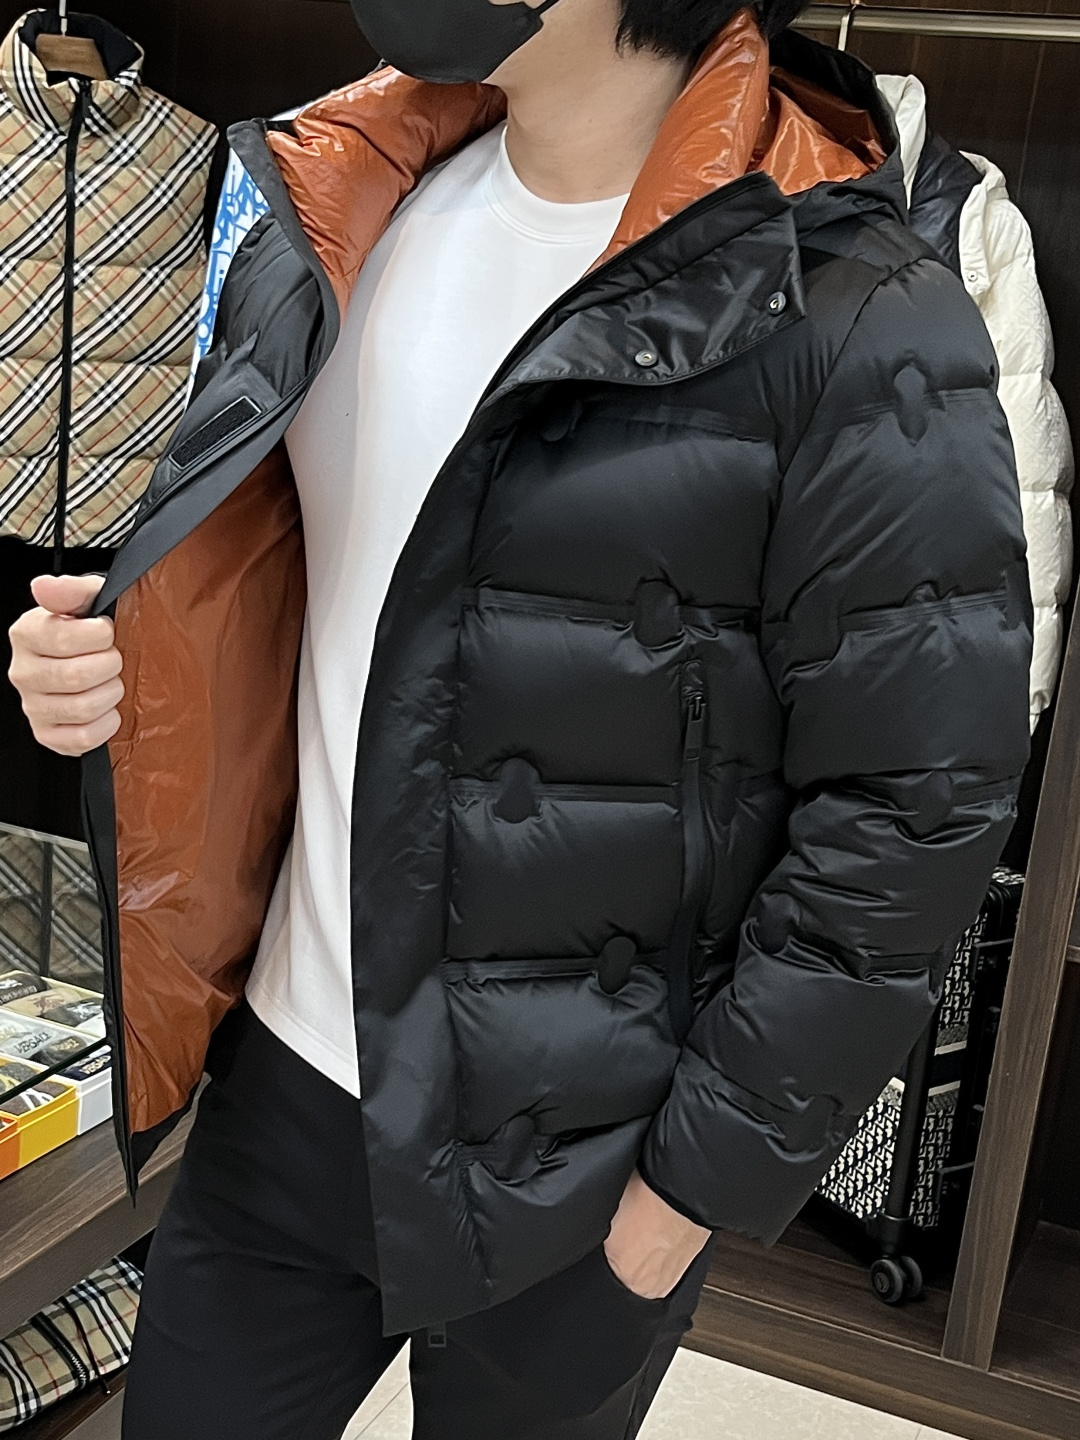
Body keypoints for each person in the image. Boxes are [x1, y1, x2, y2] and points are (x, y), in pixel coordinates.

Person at [6, 2, 1032, 1437]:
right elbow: (287, 593)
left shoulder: (849, 299)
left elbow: (915, 802)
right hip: (282, 1083)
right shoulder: (334, 197)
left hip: (581, 1162)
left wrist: (692, 1189)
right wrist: (109, 675)